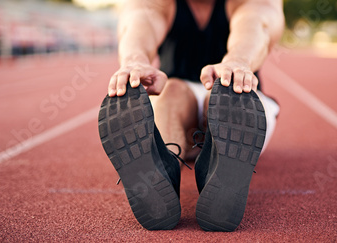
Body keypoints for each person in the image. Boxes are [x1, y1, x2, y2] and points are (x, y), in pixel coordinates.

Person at [98, 0, 284, 231]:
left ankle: (194, 159)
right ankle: (166, 164)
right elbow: (139, 20)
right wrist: (134, 61)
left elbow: (258, 22)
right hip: (175, 91)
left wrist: (238, 61)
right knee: (172, 93)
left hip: (237, 95)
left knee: (227, 95)